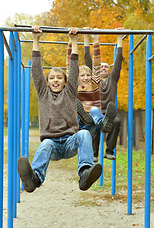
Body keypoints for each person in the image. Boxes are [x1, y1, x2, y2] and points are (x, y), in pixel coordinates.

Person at [17, 26, 103, 193]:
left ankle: (84, 173)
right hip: (53, 145)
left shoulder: (70, 92)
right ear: (47, 82)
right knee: (46, 144)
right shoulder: (43, 93)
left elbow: (74, 68)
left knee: (85, 133)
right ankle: (35, 178)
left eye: (59, 78)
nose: (55, 80)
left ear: (66, 81)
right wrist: (35, 40)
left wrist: (74, 41)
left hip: (70, 141)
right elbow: (36, 71)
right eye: (51, 78)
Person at [67, 28, 117, 149]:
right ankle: (87, 116)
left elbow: (96, 64)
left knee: (94, 110)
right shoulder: (73, 85)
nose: (86, 77)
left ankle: (103, 124)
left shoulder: (94, 84)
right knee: (89, 111)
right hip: (78, 122)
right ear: (77, 77)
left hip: (92, 123)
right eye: (82, 75)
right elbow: (69, 64)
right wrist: (70, 41)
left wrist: (96, 40)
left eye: (88, 75)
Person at [91, 31, 123, 161]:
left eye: (106, 67)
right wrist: (93, 39)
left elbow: (118, 61)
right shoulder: (94, 80)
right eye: (101, 67)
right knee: (93, 125)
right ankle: (94, 154)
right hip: (96, 113)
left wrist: (119, 38)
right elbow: (90, 61)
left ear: (109, 70)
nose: (103, 68)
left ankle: (109, 151)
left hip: (109, 115)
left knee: (116, 121)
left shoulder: (113, 79)